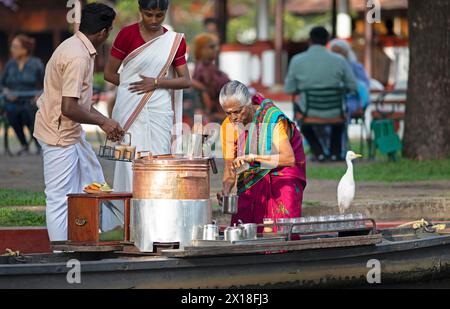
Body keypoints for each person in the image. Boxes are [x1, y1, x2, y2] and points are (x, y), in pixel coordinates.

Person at [34, 3, 124, 241]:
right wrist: (103, 122)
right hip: (59, 135)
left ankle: (89, 238)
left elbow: (78, 102)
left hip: (68, 133)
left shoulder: (74, 46)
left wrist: (105, 120)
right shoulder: (78, 56)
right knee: (59, 198)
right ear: (104, 32)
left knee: (89, 184)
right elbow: (70, 107)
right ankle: (62, 252)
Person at [104, 0, 191, 192]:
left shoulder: (174, 41)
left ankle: (158, 209)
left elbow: (185, 80)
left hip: (160, 109)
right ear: (140, 11)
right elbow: (109, 74)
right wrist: (132, 87)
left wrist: (156, 83)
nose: (153, 20)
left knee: (160, 159)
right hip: (130, 107)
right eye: (148, 14)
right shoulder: (126, 35)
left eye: (159, 15)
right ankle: (128, 212)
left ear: (165, 13)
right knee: (129, 161)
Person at [218, 81, 306, 230]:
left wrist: (254, 158)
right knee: (242, 227)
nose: (233, 117)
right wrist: (226, 190)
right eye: (228, 113)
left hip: (282, 174)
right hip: (253, 176)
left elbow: (289, 159)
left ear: (248, 104)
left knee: (280, 229)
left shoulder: (270, 118)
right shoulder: (228, 126)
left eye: (238, 111)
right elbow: (229, 166)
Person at [284, 26, 357, 161]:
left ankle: (319, 152)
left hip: (308, 113)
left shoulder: (297, 60)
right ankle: (335, 153)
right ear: (327, 41)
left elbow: (289, 89)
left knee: (302, 122)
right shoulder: (339, 60)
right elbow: (352, 86)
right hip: (336, 113)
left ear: (309, 41)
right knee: (339, 122)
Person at [0, 34, 45, 155]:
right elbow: (2, 84)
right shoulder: (10, 64)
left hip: (30, 100)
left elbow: (46, 83)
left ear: (24, 50)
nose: (12, 49)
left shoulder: (36, 64)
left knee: (29, 113)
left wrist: (39, 95)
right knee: (11, 113)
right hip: (13, 101)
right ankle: (24, 145)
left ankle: (38, 145)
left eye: (15, 47)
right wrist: (7, 92)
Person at [330, 38, 370, 157]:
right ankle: (332, 149)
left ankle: (339, 149)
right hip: (334, 101)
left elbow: (364, 86)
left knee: (341, 113)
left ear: (346, 52)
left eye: (339, 51)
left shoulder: (355, 67)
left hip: (352, 102)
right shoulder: (331, 67)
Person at [191, 33, 230, 123]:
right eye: (211, 47)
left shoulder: (208, 67)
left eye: (215, 47)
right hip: (217, 118)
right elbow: (206, 94)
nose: (215, 50)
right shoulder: (203, 69)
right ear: (201, 49)